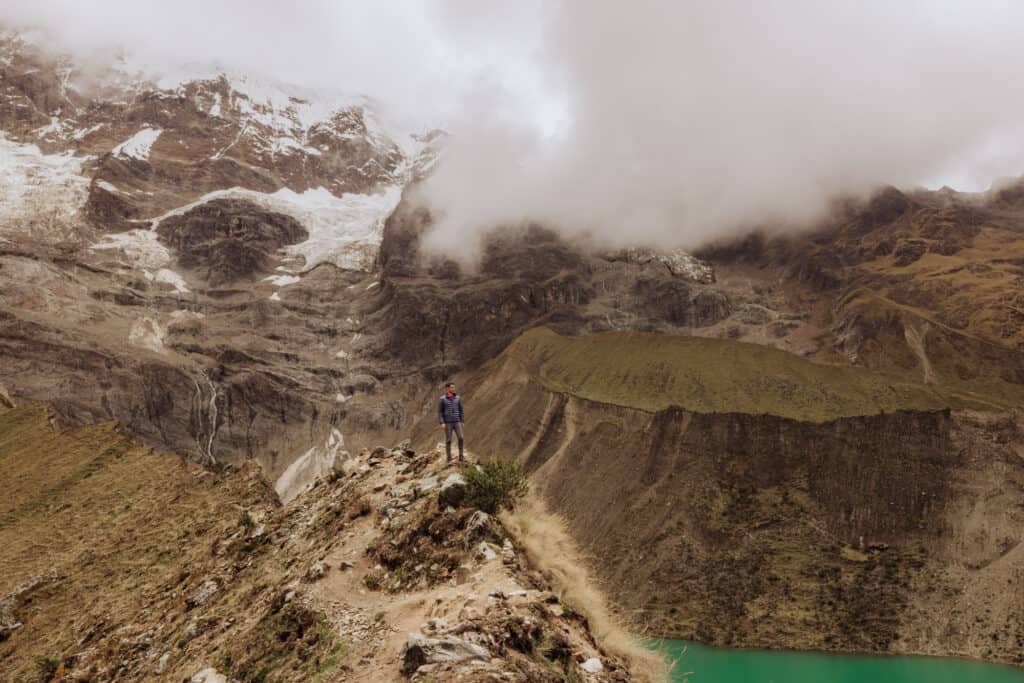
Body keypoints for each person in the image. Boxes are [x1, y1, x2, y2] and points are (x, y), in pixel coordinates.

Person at [437, 381, 465, 464]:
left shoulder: (457, 398)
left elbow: (461, 410)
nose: (453, 389)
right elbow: (440, 412)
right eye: (452, 387)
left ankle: (461, 456)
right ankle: (449, 458)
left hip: (457, 421)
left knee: (461, 438)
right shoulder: (442, 399)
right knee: (448, 440)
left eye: (454, 387)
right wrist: (442, 422)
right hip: (447, 422)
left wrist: (462, 420)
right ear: (447, 388)